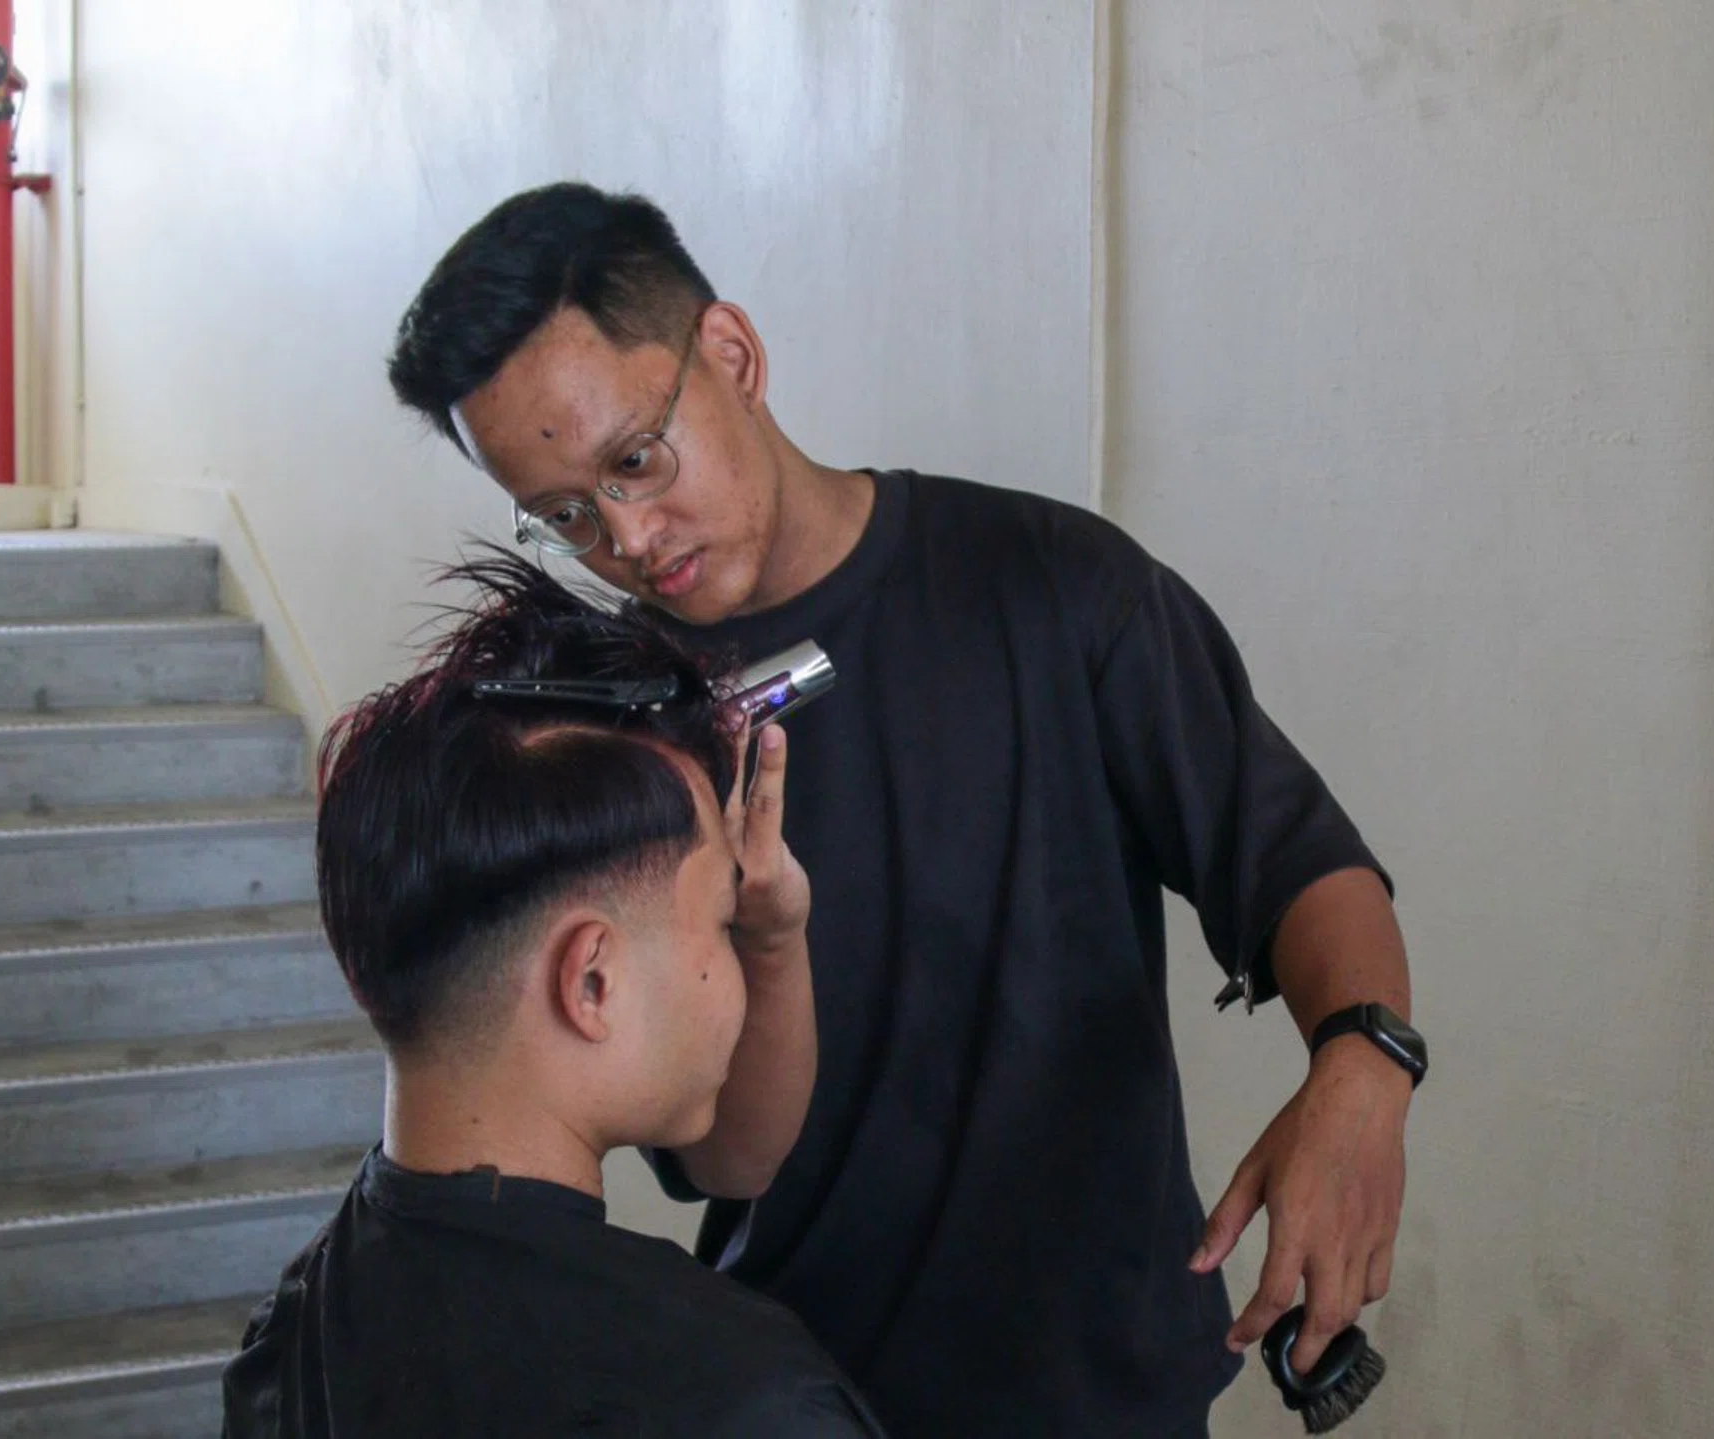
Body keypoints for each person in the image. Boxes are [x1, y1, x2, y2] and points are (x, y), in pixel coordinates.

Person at [386, 183, 1425, 1438]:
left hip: (1103, 1392)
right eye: (564, 517)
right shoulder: (620, 740)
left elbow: (1301, 863)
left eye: (634, 460)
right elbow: (723, 1163)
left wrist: (1365, 1065)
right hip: (798, 1401)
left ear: (733, 354)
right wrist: (768, 941)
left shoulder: (1055, 586)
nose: (628, 537)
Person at [220, 555, 886, 1438]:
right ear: (592, 981)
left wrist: (766, 927)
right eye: (722, 924)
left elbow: (742, 1159)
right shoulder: (744, 1398)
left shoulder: (291, 1335)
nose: (734, 976)